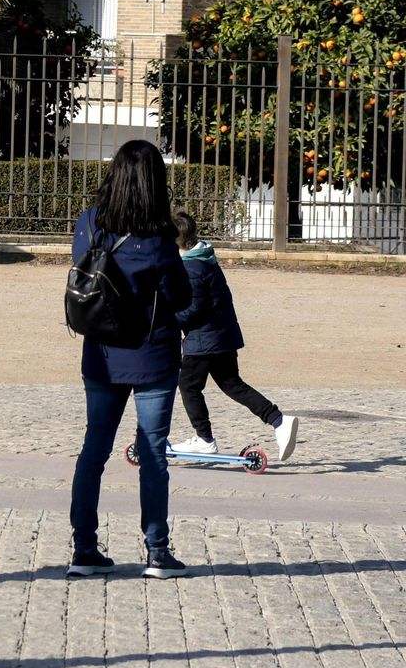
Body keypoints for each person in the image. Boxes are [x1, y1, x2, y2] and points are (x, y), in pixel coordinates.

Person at [68, 139, 193, 580]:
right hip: (152, 355)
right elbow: (181, 296)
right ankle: (157, 551)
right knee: (153, 453)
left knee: (93, 451)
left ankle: (84, 548)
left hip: (101, 354)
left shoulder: (88, 223)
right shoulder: (159, 238)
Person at [171, 210, 298, 462]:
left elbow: (192, 310)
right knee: (232, 384)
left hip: (204, 339)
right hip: (221, 336)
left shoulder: (191, 267)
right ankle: (278, 420)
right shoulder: (205, 258)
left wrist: (165, 318)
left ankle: (204, 439)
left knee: (188, 385)